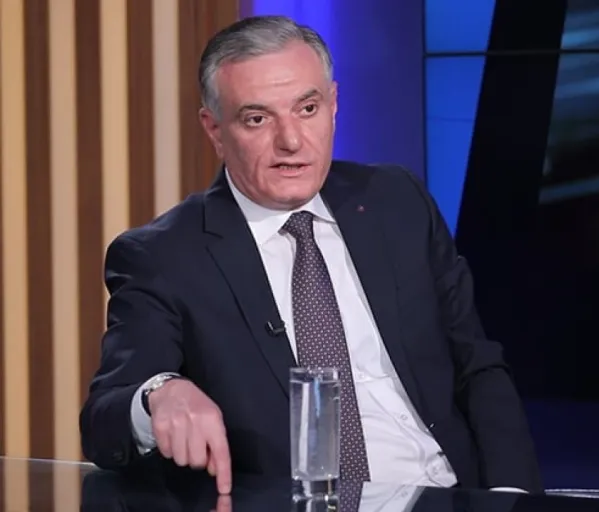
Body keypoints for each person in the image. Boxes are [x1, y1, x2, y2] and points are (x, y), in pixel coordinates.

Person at [79, 15, 543, 496]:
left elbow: (477, 365)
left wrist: (513, 497)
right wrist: (158, 394)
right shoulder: (164, 256)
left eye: (307, 108)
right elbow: (103, 421)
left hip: (449, 494)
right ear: (214, 130)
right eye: (257, 118)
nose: (291, 141)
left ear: (334, 105)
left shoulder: (396, 200)